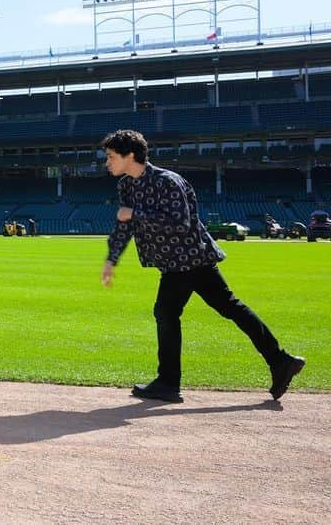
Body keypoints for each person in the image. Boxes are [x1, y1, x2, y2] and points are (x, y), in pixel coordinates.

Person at [99, 129, 305, 402]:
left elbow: (179, 222)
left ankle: (169, 383)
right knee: (229, 307)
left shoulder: (167, 181)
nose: (107, 162)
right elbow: (125, 225)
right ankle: (280, 361)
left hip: (188, 258)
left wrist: (136, 213)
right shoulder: (127, 185)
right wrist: (112, 258)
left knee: (167, 312)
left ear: (131, 155)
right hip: (179, 262)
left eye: (112, 156)